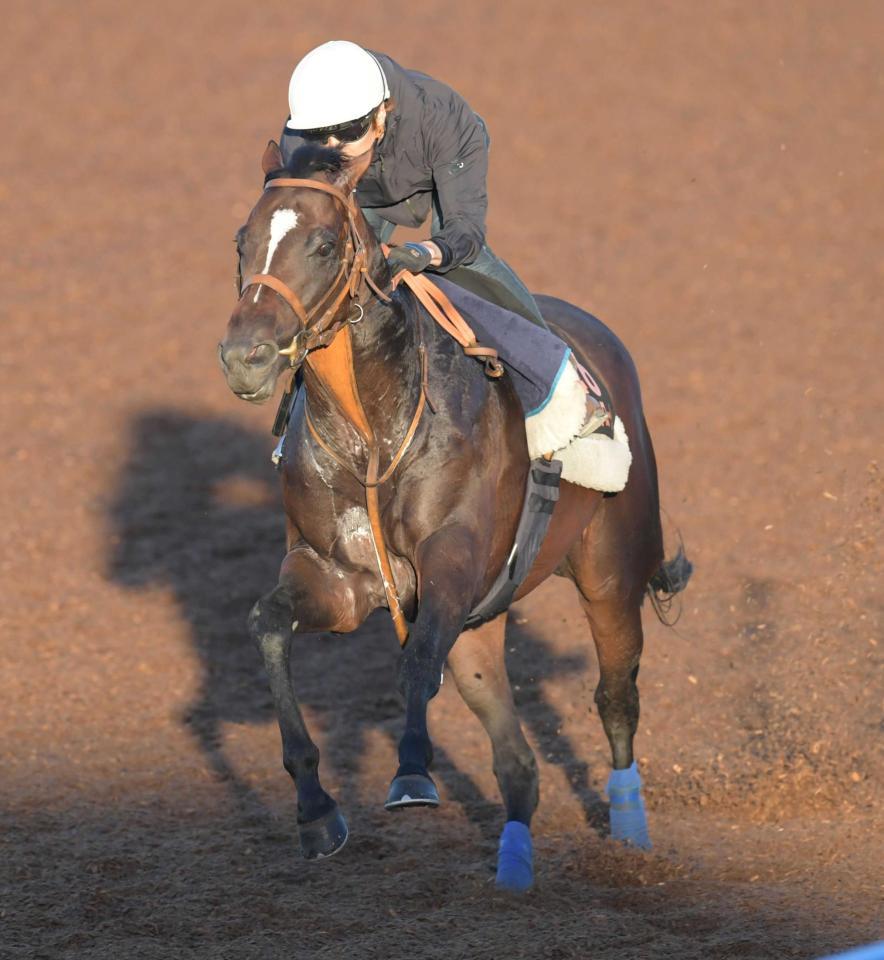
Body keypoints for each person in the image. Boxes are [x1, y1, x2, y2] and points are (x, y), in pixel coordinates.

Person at [278, 41, 608, 439]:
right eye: (319, 135)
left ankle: (558, 376)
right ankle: (295, 418)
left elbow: (464, 232)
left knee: (465, 265)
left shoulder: (444, 119)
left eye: (348, 132)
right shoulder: (300, 140)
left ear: (382, 112)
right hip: (364, 196)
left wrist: (422, 252)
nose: (333, 149)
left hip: (437, 172)